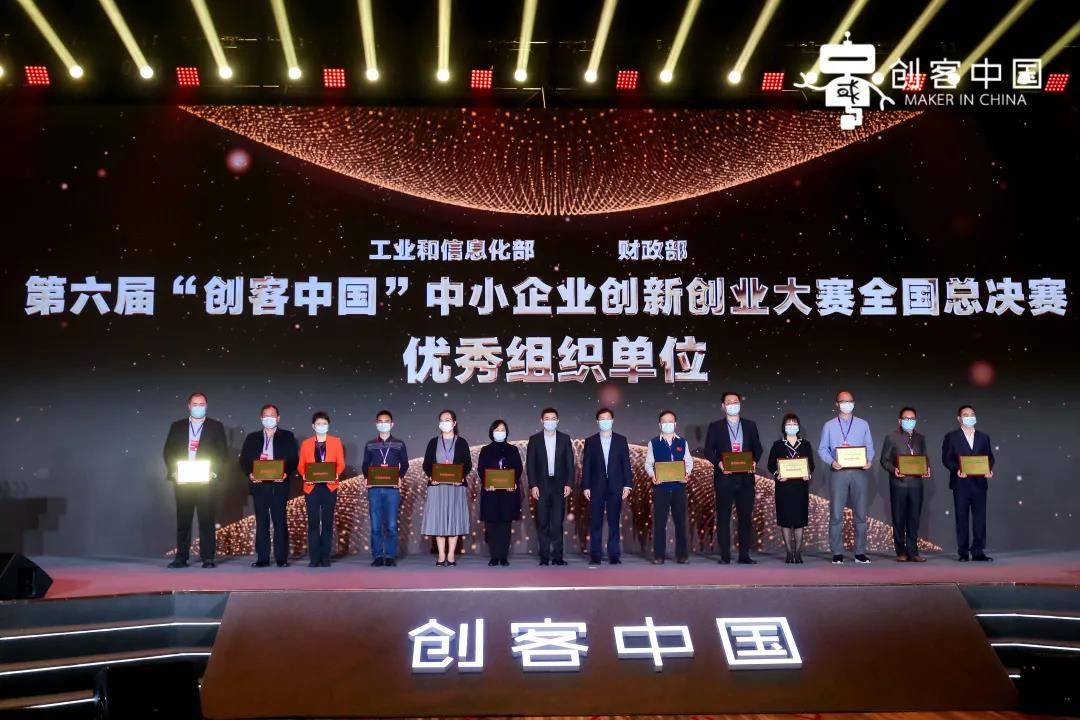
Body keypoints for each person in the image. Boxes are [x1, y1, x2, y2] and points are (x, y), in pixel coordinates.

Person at [162, 392, 228, 568]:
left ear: (206, 406)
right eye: (195, 404)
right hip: (183, 480)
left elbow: (222, 452)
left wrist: (214, 473)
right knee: (183, 519)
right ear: (189, 406)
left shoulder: (215, 426)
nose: (198, 407)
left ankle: (208, 558)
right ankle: (181, 557)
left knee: (206, 519)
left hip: (206, 480)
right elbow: (168, 450)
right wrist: (174, 472)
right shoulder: (177, 426)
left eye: (202, 404)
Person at [703, 392, 763, 564]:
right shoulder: (715, 426)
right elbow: (708, 450)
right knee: (723, 517)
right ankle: (725, 556)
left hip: (745, 478)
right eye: (728, 402)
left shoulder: (750, 425)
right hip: (724, 478)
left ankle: (744, 555)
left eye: (735, 401)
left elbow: (758, 449)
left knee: (745, 517)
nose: (732, 404)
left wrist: (754, 461)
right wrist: (719, 463)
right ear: (723, 406)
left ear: (740, 404)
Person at [818, 390, 875, 564]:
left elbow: (869, 446)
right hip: (838, 472)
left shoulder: (863, 424)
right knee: (836, 514)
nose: (846, 404)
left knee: (861, 514)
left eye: (849, 401)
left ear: (854, 403)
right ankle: (837, 552)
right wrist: (831, 461)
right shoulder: (829, 425)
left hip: (859, 472)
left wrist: (869, 460)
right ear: (837, 404)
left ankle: (860, 553)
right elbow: (822, 449)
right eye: (843, 401)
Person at [238, 404, 299, 567]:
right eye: (266, 416)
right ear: (261, 418)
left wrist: (286, 473)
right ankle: (263, 558)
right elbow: (244, 460)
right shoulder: (252, 438)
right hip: (259, 485)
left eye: (272, 416)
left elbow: (294, 458)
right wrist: (250, 474)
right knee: (262, 522)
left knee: (280, 521)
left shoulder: (287, 436)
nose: (269, 419)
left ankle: (281, 558)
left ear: (278, 418)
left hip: (279, 484)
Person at [942, 405, 995, 562]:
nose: (969, 417)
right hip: (961, 483)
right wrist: (957, 469)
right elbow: (946, 458)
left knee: (980, 518)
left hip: (979, 483)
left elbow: (990, 457)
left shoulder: (983, 437)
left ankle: (978, 551)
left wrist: (988, 469)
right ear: (959, 418)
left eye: (972, 414)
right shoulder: (951, 437)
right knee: (961, 518)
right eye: (965, 415)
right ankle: (963, 552)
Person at [421, 409, 473, 566]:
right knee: (439, 521)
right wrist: (431, 476)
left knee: (454, 520)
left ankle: (451, 554)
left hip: (456, 488)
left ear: (454, 423)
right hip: (437, 488)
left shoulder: (462, 442)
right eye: (442, 420)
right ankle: (441, 554)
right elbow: (426, 464)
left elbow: (468, 464)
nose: (445, 423)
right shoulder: (433, 442)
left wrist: (461, 477)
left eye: (448, 420)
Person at [582, 408, 633, 565]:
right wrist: (586, 486)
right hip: (596, 486)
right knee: (596, 522)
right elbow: (586, 465)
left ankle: (614, 555)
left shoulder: (621, 440)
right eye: (602, 419)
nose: (605, 421)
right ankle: (595, 555)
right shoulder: (591, 441)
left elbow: (626, 463)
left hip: (616, 485)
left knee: (614, 522)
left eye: (608, 418)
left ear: (612, 420)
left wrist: (628, 484)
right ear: (597, 422)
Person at [880, 407, 930, 562]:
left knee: (914, 518)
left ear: (916, 420)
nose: (909, 421)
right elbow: (884, 460)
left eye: (912, 418)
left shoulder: (920, 438)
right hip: (898, 484)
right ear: (900, 420)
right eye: (906, 418)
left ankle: (913, 552)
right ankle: (901, 552)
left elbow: (924, 457)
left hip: (916, 484)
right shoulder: (891, 437)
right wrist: (894, 470)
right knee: (899, 518)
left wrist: (927, 468)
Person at [525, 407, 574, 566]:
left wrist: (569, 483)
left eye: (553, 419)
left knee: (557, 522)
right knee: (543, 521)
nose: (550, 421)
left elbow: (570, 463)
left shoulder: (565, 439)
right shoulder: (535, 439)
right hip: (541, 485)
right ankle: (544, 557)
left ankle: (558, 557)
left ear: (558, 421)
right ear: (542, 421)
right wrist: (533, 485)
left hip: (559, 485)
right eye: (547, 419)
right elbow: (530, 465)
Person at [360, 410, 409, 567]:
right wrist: (367, 477)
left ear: (392, 424)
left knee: (392, 525)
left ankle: (390, 555)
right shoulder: (370, 444)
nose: (383, 424)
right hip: (374, 488)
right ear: (376, 424)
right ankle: (378, 555)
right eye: (380, 421)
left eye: (386, 421)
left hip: (392, 489)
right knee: (375, 525)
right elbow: (365, 465)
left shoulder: (399, 444)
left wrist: (400, 477)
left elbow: (405, 464)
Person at [644, 410, 692, 564]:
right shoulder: (653, 442)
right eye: (664, 421)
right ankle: (659, 556)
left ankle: (682, 555)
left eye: (670, 421)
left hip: (678, 488)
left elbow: (688, 462)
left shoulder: (682, 442)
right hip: (661, 489)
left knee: (680, 523)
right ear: (660, 424)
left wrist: (686, 473)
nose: (667, 424)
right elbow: (648, 463)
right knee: (660, 523)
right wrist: (653, 475)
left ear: (675, 424)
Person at [766, 413, 814, 564]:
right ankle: (788, 552)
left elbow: (811, 465)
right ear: (784, 427)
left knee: (799, 520)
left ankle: (798, 552)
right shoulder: (777, 445)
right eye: (789, 424)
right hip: (783, 487)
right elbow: (770, 465)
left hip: (800, 487)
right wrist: (777, 474)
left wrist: (808, 474)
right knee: (785, 520)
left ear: (798, 427)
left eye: (794, 424)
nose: (791, 426)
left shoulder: (805, 444)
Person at [298, 412, 345, 567]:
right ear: (313, 426)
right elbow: (301, 465)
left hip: (329, 487)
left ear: (328, 425)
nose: (321, 426)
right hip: (311, 487)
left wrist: (335, 474)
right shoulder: (306, 443)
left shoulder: (336, 442)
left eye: (324, 424)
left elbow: (341, 464)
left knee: (327, 522)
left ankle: (325, 557)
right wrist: (304, 475)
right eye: (318, 424)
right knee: (313, 524)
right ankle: (314, 558)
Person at [477, 419, 523, 566]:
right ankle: (494, 556)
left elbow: (518, 468)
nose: (500, 432)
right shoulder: (485, 450)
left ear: (506, 432)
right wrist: (487, 482)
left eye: (502, 430)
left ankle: (503, 557)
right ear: (492, 432)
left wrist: (513, 482)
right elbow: (481, 469)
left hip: (508, 494)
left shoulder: (513, 449)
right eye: (497, 430)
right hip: (491, 493)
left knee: (505, 525)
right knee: (491, 525)